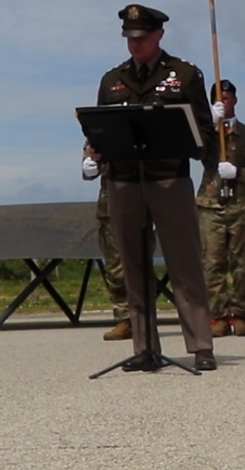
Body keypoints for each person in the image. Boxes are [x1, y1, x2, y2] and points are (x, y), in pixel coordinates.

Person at [92, 4, 220, 371]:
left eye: (142, 38)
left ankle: (200, 345)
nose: (135, 45)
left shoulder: (184, 74)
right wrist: (94, 151)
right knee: (133, 266)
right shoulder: (112, 79)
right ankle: (144, 347)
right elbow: (101, 127)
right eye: (130, 39)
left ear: (159, 35)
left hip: (169, 178)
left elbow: (204, 133)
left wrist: (195, 144)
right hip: (123, 180)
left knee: (184, 263)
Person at [196, 79, 245, 337]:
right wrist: (208, 123)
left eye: (227, 97)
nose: (224, 102)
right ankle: (218, 316)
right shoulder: (204, 133)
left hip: (241, 206)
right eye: (218, 99)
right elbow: (191, 149)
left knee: (243, 263)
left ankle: (240, 314)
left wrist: (239, 173)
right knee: (212, 263)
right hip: (211, 205)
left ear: (235, 100)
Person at [81, 143, 131, 341]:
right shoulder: (105, 119)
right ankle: (125, 318)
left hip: (141, 200)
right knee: (115, 269)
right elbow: (92, 149)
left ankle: (144, 318)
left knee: (139, 266)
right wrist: (88, 163)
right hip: (110, 205)